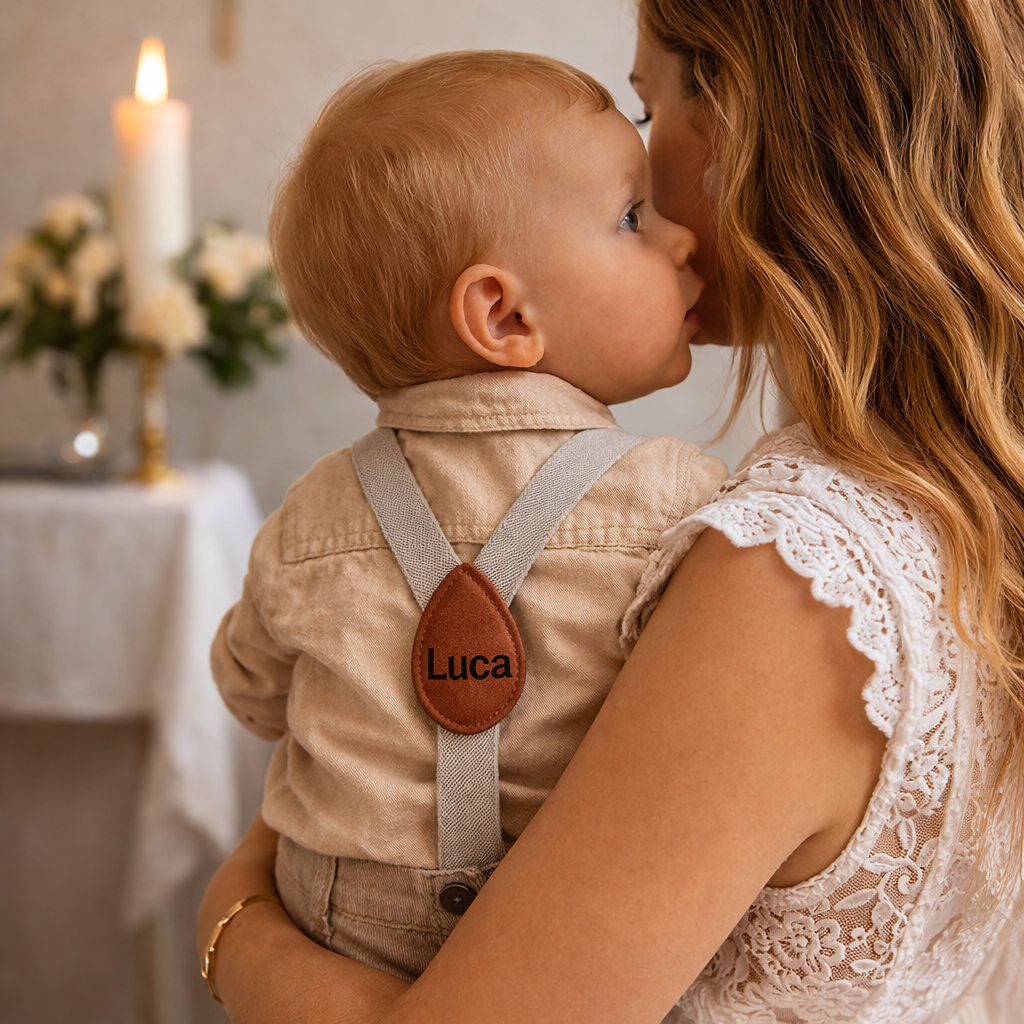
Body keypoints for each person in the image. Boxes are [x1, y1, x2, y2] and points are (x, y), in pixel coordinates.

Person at [198, 1, 1024, 1021]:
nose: (660, 214)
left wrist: (230, 915)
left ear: (746, 117)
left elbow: (252, 685)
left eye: (647, 107)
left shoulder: (788, 575)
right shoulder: (957, 489)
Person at [208, 50, 726, 984]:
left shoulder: (312, 510)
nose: (682, 240)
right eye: (632, 218)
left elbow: (249, 691)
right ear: (502, 316)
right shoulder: (676, 496)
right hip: (549, 922)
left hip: (327, 918)